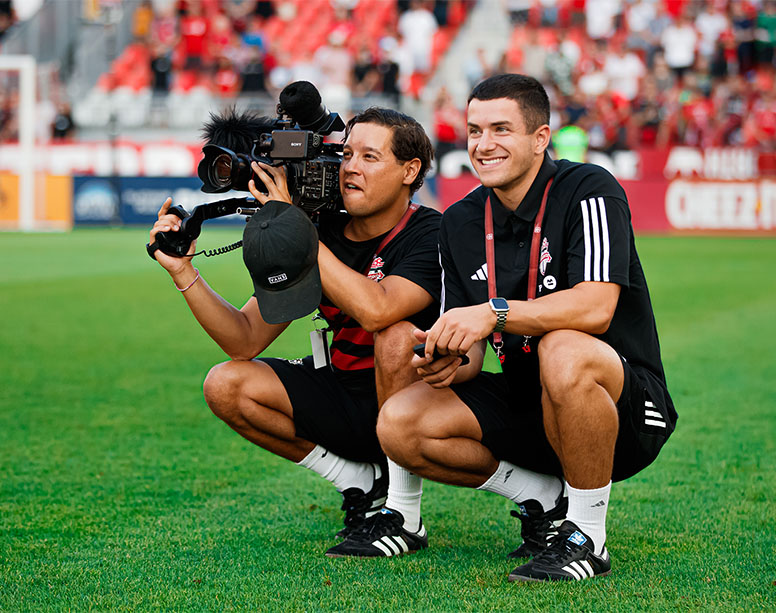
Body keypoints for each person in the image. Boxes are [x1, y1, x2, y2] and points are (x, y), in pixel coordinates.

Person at [348, 74, 676, 581]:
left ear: (539, 138)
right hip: (530, 404)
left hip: (623, 409)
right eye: (474, 130)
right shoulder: (459, 221)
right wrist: (444, 359)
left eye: (501, 129)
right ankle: (543, 498)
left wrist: (493, 312)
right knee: (399, 425)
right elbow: (474, 355)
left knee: (564, 349)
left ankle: (588, 537)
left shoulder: (588, 188)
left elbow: (596, 308)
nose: (483, 144)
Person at [147, 107, 440, 555]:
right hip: (345, 392)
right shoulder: (322, 230)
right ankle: (360, 481)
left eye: (369, 157)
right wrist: (183, 272)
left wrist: (296, 227)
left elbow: (378, 312)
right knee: (226, 383)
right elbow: (244, 338)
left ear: (409, 170)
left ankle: (403, 515)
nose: (351, 168)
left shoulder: (431, 232)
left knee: (396, 336)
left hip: (415, 405)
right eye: (345, 155)